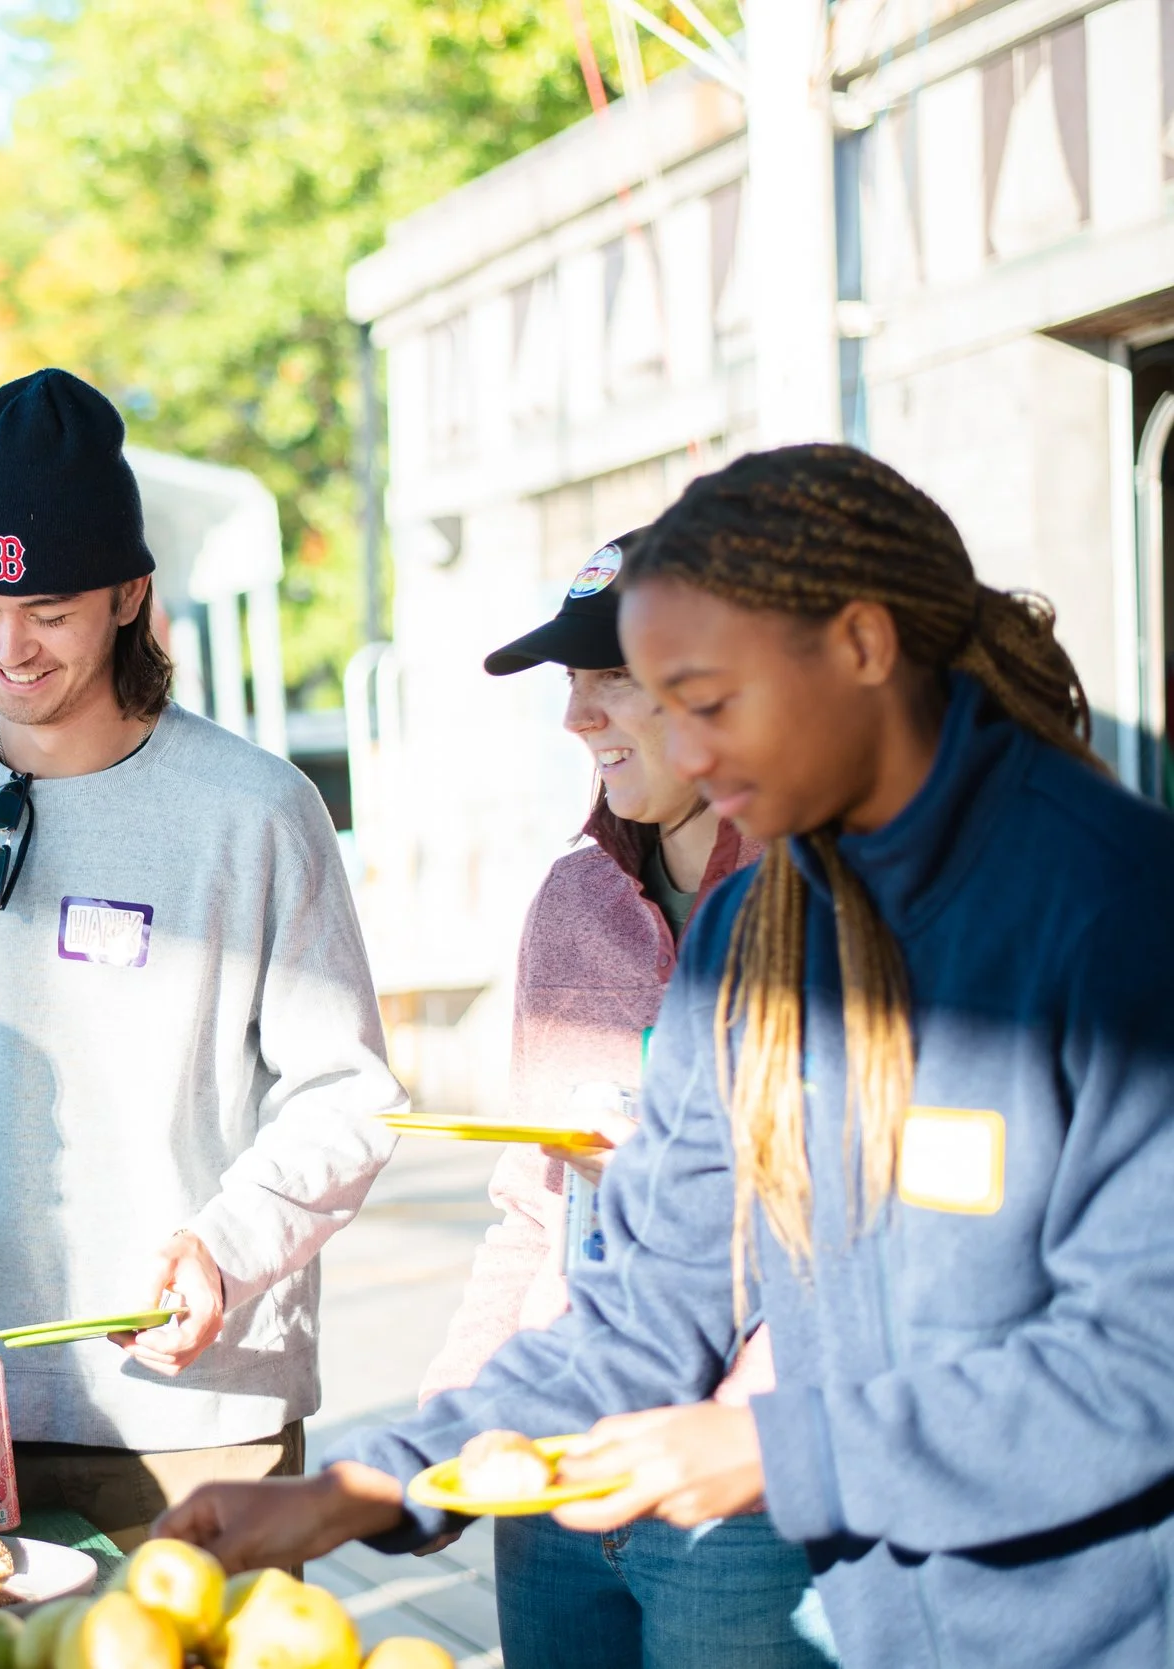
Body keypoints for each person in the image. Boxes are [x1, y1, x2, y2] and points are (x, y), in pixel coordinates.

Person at [159, 443, 1174, 1669]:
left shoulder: (1116, 909)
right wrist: (371, 1484)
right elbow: (650, 1307)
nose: (683, 754)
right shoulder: (754, 931)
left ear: (861, 644)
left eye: (705, 699)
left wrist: (774, 1447)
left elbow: (1142, 1368)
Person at [0, 368, 406, 1547]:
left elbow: (345, 1094)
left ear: (127, 594)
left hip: (193, 1409)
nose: (7, 645)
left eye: (48, 610)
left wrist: (226, 1246)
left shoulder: (256, 810)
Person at [422, 531, 821, 1666]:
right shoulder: (570, 900)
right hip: (552, 1470)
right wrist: (453, 1413)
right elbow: (533, 1200)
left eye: (614, 678)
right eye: (571, 679)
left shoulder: (826, 900)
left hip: (738, 1501)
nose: (575, 716)